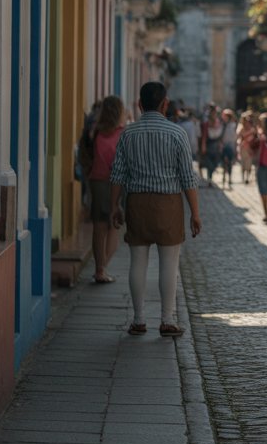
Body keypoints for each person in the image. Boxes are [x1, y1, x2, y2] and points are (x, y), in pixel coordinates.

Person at [110, 81, 201, 338]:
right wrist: (195, 213)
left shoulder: (128, 133)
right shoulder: (177, 134)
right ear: (165, 104)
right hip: (168, 204)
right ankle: (167, 320)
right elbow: (187, 177)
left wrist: (114, 206)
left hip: (137, 202)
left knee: (137, 262)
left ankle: (138, 320)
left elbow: (117, 174)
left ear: (139, 104)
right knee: (169, 264)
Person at [80, 94, 126, 284]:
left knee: (98, 227)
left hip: (96, 182)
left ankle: (100, 269)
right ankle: (102, 269)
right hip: (116, 183)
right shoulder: (122, 132)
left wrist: (91, 170)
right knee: (114, 225)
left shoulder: (93, 132)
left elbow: (84, 155)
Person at [199, 104, 224, 187]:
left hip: (216, 144)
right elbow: (204, 135)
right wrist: (203, 145)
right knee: (209, 163)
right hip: (209, 144)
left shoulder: (218, 122)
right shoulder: (206, 123)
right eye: (212, 113)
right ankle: (209, 179)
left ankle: (210, 178)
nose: (214, 114)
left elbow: (220, 135)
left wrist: (220, 144)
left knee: (216, 162)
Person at [237, 110, 259, 185]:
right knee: (243, 163)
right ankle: (243, 178)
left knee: (249, 164)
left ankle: (247, 178)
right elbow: (239, 136)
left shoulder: (253, 127)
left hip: (250, 147)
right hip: (243, 147)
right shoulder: (241, 127)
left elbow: (256, 136)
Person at [220, 108, 237, 189]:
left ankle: (229, 178)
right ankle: (224, 178)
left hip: (230, 146)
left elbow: (234, 137)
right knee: (224, 163)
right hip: (223, 146)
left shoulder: (233, 125)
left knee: (229, 163)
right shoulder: (222, 125)